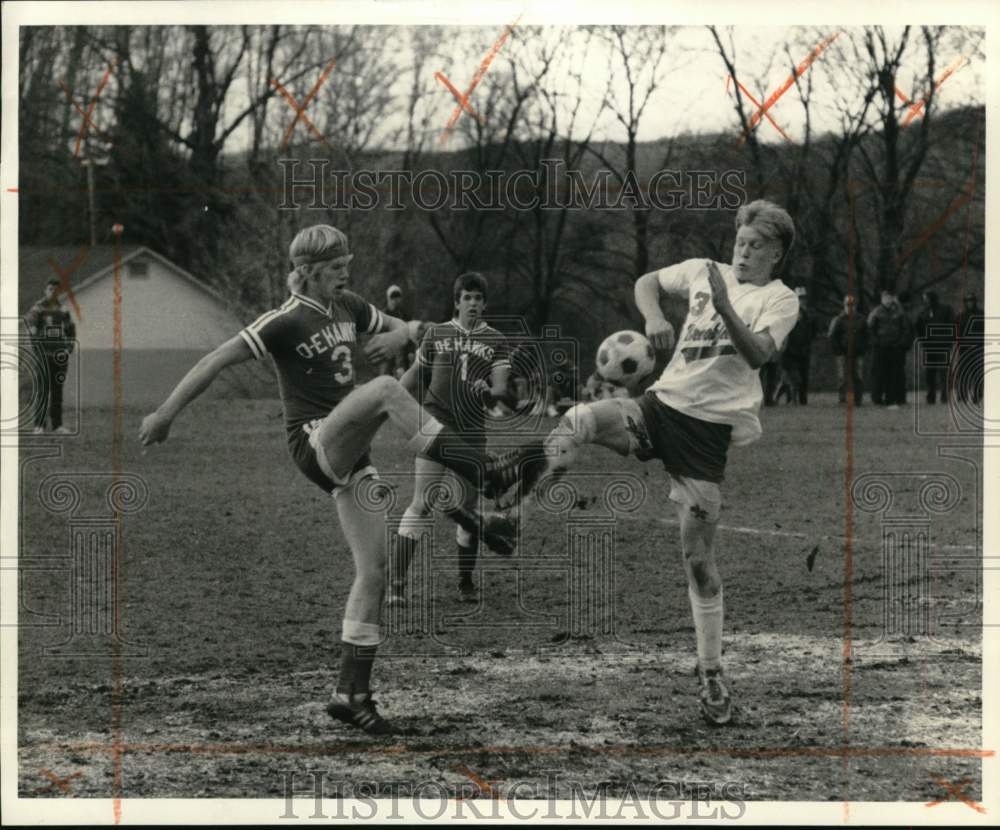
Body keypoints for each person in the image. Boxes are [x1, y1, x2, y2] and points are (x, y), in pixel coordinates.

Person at [138, 225, 529, 736]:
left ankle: (351, 692)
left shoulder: (348, 306)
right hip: (314, 442)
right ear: (309, 271)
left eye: (347, 262)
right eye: (337, 265)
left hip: (350, 454)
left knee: (376, 568)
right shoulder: (284, 319)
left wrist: (404, 331)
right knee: (387, 388)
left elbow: (421, 327)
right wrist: (166, 413)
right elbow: (217, 359)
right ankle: (485, 472)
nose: (347, 271)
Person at [513, 200, 800, 725]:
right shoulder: (701, 271)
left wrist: (725, 306)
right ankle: (514, 516)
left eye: (756, 244)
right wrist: (652, 315)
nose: (743, 250)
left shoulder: (780, 300)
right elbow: (647, 280)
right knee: (579, 419)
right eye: (740, 239)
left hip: (705, 437)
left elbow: (759, 355)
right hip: (658, 407)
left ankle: (711, 672)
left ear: (776, 253)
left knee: (697, 560)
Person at [389, 272, 510, 605]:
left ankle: (465, 581)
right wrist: (384, 400)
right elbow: (415, 375)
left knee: (467, 507)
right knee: (422, 500)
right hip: (435, 424)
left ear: (485, 303)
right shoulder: (436, 334)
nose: (473, 303)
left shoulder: (497, 340)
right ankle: (396, 585)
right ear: (456, 302)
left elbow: (501, 387)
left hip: (472, 431)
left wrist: (490, 391)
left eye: (478, 298)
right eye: (467, 297)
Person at [25, 277, 76, 434]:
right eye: (50, 289)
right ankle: (39, 425)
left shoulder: (63, 310)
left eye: (56, 290)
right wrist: (37, 352)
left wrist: (68, 348)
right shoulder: (37, 310)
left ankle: (57, 425)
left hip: (59, 357)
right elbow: (32, 333)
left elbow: (71, 332)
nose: (53, 293)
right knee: (42, 390)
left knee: (57, 391)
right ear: (45, 290)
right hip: (43, 356)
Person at [867, 289, 913, 409]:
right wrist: (876, 342)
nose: (888, 300)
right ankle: (876, 398)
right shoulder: (876, 312)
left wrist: (901, 342)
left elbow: (905, 329)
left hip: (894, 347)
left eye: (890, 297)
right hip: (880, 347)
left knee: (893, 374)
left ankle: (891, 399)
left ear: (893, 298)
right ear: (882, 299)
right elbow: (870, 329)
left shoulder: (899, 312)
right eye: (885, 298)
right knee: (878, 373)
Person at [776, 287, 815, 405]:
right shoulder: (788, 312)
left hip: (803, 350)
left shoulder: (808, 314)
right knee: (794, 379)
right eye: (800, 298)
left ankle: (799, 400)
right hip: (790, 352)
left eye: (803, 298)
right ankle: (793, 400)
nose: (802, 300)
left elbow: (811, 332)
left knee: (800, 377)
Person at [827, 294, 868, 406]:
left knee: (858, 376)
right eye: (848, 305)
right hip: (842, 353)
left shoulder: (861, 320)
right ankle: (842, 398)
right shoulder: (839, 320)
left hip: (858, 353)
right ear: (844, 306)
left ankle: (858, 399)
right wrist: (838, 350)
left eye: (852, 305)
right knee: (842, 377)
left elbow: (867, 336)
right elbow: (832, 337)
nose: (850, 307)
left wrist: (863, 349)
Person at [914, 290, 954, 404]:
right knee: (930, 373)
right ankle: (931, 396)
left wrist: (949, 341)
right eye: (924, 299)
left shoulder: (946, 309)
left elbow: (952, 325)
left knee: (944, 372)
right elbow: (919, 328)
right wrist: (923, 341)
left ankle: (945, 397)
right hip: (929, 347)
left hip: (943, 346)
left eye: (926, 298)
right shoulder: (923, 313)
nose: (925, 300)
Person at [954, 291, 984, 404]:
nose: (969, 303)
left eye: (971, 300)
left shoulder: (981, 314)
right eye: (967, 301)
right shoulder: (960, 316)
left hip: (977, 347)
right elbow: (956, 332)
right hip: (964, 348)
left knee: (976, 372)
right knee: (963, 372)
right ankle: (962, 395)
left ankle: (977, 396)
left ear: (975, 301)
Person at [378, 284, 413, 378]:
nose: (395, 300)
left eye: (397, 297)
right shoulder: (383, 315)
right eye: (393, 297)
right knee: (384, 377)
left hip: (402, 349)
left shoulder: (404, 314)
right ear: (388, 298)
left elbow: (410, 332)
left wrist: (411, 350)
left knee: (403, 377)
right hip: (387, 350)